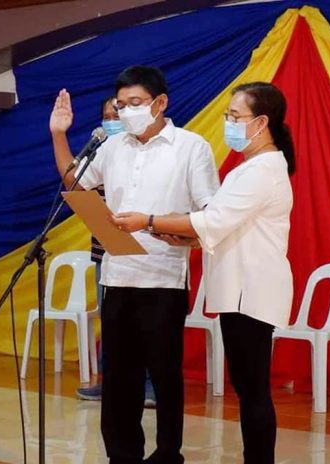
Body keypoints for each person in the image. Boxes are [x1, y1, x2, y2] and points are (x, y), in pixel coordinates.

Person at [113, 82, 294, 464]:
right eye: (227, 115)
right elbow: (223, 227)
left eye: (235, 117)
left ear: (261, 122)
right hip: (239, 288)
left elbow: (213, 218)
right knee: (247, 386)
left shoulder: (262, 168)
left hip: (253, 289)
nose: (228, 122)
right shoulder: (251, 167)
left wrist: (147, 219)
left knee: (253, 388)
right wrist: (187, 239)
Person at [50, 66, 219, 464]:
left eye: (136, 104)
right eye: (121, 105)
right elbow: (76, 184)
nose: (127, 112)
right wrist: (59, 134)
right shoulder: (113, 147)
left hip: (164, 278)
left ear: (160, 103)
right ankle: (122, 455)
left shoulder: (191, 147)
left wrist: (172, 231)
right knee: (119, 378)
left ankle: (166, 453)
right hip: (116, 274)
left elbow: (209, 214)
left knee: (163, 376)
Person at [76, 97, 156, 410]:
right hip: (104, 251)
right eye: (106, 115)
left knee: (144, 323)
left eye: (117, 113)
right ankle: (110, 381)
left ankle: (149, 385)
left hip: (144, 252)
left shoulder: (144, 153)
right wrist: (59, 135)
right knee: (111, 322)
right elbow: (77, 185)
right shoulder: (99, 152)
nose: (112, 119)